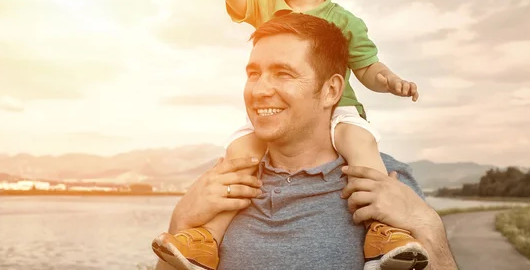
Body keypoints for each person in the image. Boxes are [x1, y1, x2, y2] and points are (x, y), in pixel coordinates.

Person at [154, 0, 424, 269]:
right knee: (238, 154)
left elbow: (367, 68)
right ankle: (205, 238)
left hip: (341, 111)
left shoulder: (346, 21)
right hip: (280, 120)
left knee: (361, 145)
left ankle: (384, 230)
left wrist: (388, 80)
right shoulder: (265, 3)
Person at [152, 14, 458, 270]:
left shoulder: (386, 184)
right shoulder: (220, 183)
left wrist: (426, 224)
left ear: (331, 91)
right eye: (253, 73)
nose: (259, 90)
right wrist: (180, 220)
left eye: (283, 74)